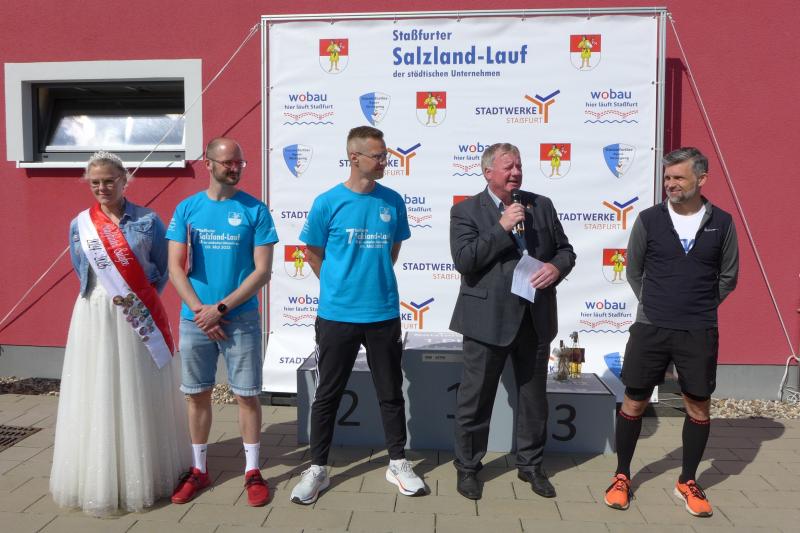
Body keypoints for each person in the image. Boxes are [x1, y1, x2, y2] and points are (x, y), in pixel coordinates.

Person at [289, 126, 426, 505]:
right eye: (378, 156)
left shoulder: (392, 201)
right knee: (327, 394)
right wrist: (340, 286)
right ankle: (318, 468)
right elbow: (313, 254)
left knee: (390, 392)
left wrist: (368, 282)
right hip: (337, 315)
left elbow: (392, 250)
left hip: (383, 312)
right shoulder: (327, 202)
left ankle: (397, 462)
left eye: (386, 155)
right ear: (354, 158)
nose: (385, 161)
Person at [50, 151, 191, 516]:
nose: (102, 187)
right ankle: (99, 475)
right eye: (95, 182)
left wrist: (142, 303)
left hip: (136, 315)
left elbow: (163, 268)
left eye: (109, 181)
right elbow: (82, 270)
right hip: (95, 315)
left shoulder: (148, 220)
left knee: (137, 387)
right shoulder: (80, 224)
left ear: (124, 180)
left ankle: (144, 472)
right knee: (96, 388)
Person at [603, 147, 739, 517]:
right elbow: (634, 271)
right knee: (634, 400)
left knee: (697, 404)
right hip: (651, 327)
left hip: (698, 329)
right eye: (667, 178)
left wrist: (698, 306)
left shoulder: (723, 222)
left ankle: (687, 481)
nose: (671, 184)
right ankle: (621, 476)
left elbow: (728, 277)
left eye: (678, 177)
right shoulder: (649, 220)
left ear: (701, 179)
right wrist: (655, 305)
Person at [449, 142, 576, 500]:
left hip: (534, 319)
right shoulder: (466, 211)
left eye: (518, 166)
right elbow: (465, 260)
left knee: (533, 401)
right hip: (486, 321)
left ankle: (531, 466)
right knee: (476, 399)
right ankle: (468, 468)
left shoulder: (541, 205)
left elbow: (565, 251)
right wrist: (501, 226)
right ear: (487, 171)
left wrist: (556, 267)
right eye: (508, 167)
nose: (516, 173)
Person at [166, 137, 278, 506]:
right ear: (208, 163)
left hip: (240, 319)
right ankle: (199, 469)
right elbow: (175, 268)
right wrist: (202, 311)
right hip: (195, 319)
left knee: (247, 395)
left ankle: (253, 471)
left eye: (239, 162)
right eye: (228, 162)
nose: (234, 168)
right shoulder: (187, 208)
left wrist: (222, 309)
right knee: (197, 394)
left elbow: (262, 272)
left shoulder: (255, 210)